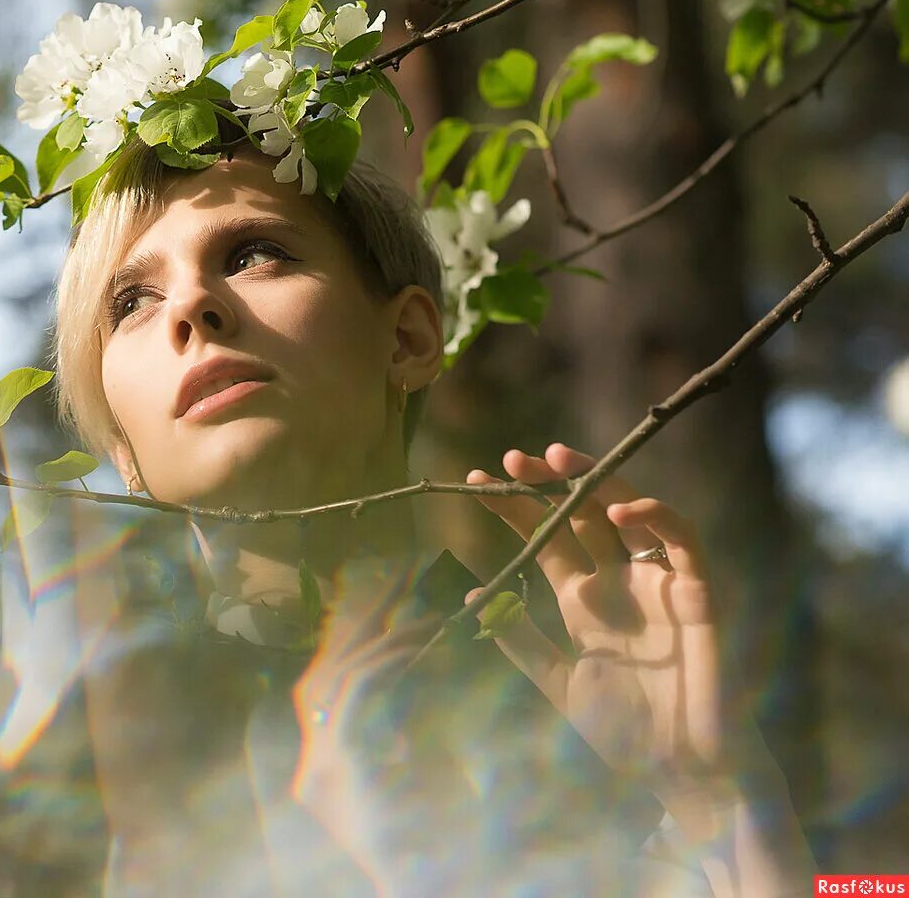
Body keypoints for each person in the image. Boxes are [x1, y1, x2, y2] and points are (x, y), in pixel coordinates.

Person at [49, 128, 820, 896]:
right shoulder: (58, 782)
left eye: (253, 253)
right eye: (130, 302)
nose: (191, 304)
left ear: (409, 337)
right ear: (125, 455)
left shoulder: (572, 738)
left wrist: (714, 796)